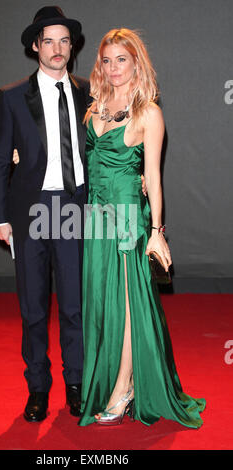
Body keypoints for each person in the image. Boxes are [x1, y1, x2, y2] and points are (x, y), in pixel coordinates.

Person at [78, 28, 206, 427]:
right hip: (95, 218)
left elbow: (153, 175)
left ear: (136, 62)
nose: (114, 68)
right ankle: (110, 379)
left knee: (131, 304)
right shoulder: (94, 106)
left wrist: (155, 231)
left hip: (127, 217)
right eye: (107, 60)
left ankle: (123, 387)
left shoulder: (148, 112)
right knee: (102, 304)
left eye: (122, 59)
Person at [0, 6, 91, 422]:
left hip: (74, 208)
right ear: (35, 46)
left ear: (72, 47)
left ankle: (77, 383)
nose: (57, 48)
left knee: (74, 305)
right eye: (48, 40)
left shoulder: (90, 92)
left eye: (64, 40)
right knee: (33, 309)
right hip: (29, 211)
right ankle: (37, 388)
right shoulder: (12, 96)